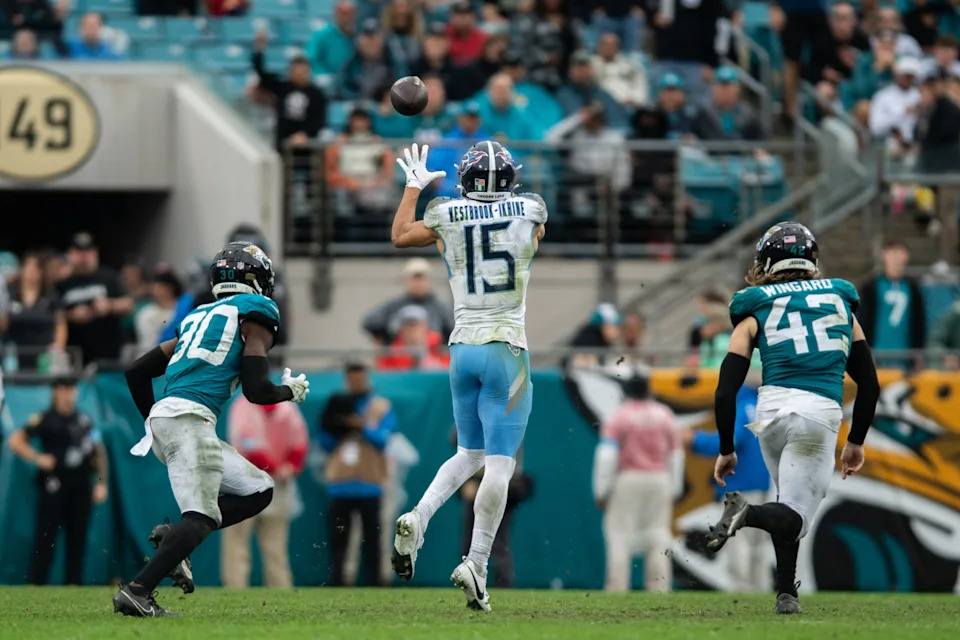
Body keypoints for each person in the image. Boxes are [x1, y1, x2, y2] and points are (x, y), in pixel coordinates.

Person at [112, 242, 310, 617]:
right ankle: (138, 591)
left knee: (258, 489)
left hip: (171, 417)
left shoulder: (195, 316)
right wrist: (290, 392)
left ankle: (173, 541)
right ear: (255, 280)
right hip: (190, 420)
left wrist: (153, 420)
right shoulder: (258, 312)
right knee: (201, 517)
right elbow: (256, 390)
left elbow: (136, 371)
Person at [389, 140, 546, 611]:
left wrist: (415, 187)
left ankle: (418, 517)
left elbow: (400, 235)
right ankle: (476, 563)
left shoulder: (444, 214)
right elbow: (533, 232)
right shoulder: (532, 208)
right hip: (506, 347)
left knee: (468, 452)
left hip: (461, 349)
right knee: (498, 463)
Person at [705, 222, 879, 614]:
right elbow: (869, 385)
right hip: (815, 413)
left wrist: (726, 448)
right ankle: (745, 514)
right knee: (795, 518)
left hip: (770, 414)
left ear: (767, 260)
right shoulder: (839, 299)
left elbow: (725, 390)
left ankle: (786, 593)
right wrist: (856, 441)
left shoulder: (754, 306)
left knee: (786, 504)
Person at [7, 376, 109, 585]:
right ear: (55, 391)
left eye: (72, 389)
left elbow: (98, 454)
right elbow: (15, 441)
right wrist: (38, 458)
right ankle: (36, 584)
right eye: (63, 389)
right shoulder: (44, 419)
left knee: (77, 540)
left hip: (80, 487)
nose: (68, 394)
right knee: (45, 539)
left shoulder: (85, 421)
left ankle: (74, 585)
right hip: (53, 487)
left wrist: (100, 482)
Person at [594, 370, 681, 592]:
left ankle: (617, 586)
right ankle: (659, 587)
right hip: (660, 479)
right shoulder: (665, 415)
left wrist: (601, 490)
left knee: (619, 535)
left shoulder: (619, 416)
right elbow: (676, 454)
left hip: (628, 478)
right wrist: (676, 487)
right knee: (658, 533)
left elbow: (607, 455)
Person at [686, 375, 772, 592]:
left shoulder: (741, 407)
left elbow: (729, 443)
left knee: (738, 540)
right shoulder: (763, 408)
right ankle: (761, 589)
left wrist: (694, 439)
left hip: (739, 484)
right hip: (763, 484)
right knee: (757, 544)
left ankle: (741, 589)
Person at [319, 363, 396, 587]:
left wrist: (360, 426)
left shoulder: (380, 406)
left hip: (371, 484)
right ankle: (339, 583)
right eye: (352, 380)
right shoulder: (336, 405)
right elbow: (324, 442)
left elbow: (384, 440)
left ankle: (377, 584)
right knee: (339, 541)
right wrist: (342, 427)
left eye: (360, 379)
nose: (356, 384)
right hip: (340, 484)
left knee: (374, 540)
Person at [220, 397, 308, 588]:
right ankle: (236, 590)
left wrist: (289, 467)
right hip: (247, 482)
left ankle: (279, 591)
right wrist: (281, 467)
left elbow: (299, 443)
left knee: (273, 547)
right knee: (239, 544)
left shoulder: (286, 408)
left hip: (272, 484)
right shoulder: (243, 406)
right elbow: (248, 444)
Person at [56, 232, 133, 366]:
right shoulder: (62, 284)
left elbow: (129, 305)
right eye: (79, 252)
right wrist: (71, 315)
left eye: (88, 251)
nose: (83, 257)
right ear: (70, 254)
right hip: (74, 356)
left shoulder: (108, 276)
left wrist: (109, 305)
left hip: (108, 356)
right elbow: (53, 314)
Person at [252, 31, 327, 152]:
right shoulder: (283, 87)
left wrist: (305, 134)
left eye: (303, 70)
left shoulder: (317, 94)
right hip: (282, 142)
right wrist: (259, 49)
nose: (299, 73)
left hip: (307, 145)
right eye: (296, 69)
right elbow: (261, 73)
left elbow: (319, 120)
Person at [857, 240, 926, 362]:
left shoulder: (914, 288)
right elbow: (862, 319)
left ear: (906, 256)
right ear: (883, 256)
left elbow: (920, 321)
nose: (895, 258)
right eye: (891, 253)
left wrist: (918, 352)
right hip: (876, 354)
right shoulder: (871, 286)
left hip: (905, 356)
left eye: (899, 253)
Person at [362, 257, 454, 345]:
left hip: (434, 357)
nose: (418, 284)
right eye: (414, 279)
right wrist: (390, 335)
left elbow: (453, 331)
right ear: (406, 280)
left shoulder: (441, 308)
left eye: (421, 279)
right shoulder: (393, 306)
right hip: (399, 356)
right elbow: (369, 322)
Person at [4, 252, 67, 371]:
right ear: (21, 270)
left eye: (36, 267)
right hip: (13, 355)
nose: (32, 271)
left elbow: (61, 324)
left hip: (44, 355)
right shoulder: (9, 294)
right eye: (28, 267)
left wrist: (58, 348)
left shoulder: (51, 296)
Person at [555, 50, 628, 131]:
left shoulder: (602, 94)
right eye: (578, 67)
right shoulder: (562, 95)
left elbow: (620, 124)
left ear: (592, 70)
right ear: (570, 71)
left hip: (601, 139)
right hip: (573, 139)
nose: (582, 71)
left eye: (585, 67)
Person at [691, 67, 765, 141]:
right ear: (713, 89)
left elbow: (761, 140)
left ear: (737, 89)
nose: (724, 92)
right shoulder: (703, 114)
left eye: (728, 87)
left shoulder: (749, 116)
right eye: (721, 87)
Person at [868, 57, 921, 155]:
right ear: (897, 74)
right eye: (904, 75)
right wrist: (902, 113)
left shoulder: (920, 96)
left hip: (916, 147)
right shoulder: (883, 96)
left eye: (910, 76)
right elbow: (875, 127)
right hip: (889, 146)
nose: (907, 79)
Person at [376, 305, 450, 370]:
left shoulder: (439, 346)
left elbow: (449, 371)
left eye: (417, 324)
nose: (413, 330)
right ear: (401, 328)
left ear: (426, 326)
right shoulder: (392, 353)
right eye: (408, 325)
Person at [133, 266, 183, 355]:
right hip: (148, 357)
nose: (155, 289)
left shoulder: (181, 311)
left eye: (159, 286)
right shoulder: (145, 312)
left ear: (170, 287)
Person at [591, 32, 648, 108]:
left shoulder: (630, 65)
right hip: (601, 106)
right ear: (599, 47)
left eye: (611, 45)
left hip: (628, 104)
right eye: (605, 45)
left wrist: (635, 99)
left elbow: (640, 83)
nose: (608, 48)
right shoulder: (591, 65)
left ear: (617, 47)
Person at [306, 0, 357, 76]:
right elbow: (311, 60)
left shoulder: (359, 36)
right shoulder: (321, 35)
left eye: (350, 14)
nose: (346, 18)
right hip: (328, 79)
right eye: (343, 14)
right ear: (335, 14)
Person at [446, 0, 487, 65]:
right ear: (451, 17)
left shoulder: (483, 37)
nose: (462, 19)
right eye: (458, 15)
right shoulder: (444, 35)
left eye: (465, 15)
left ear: (473, 17)